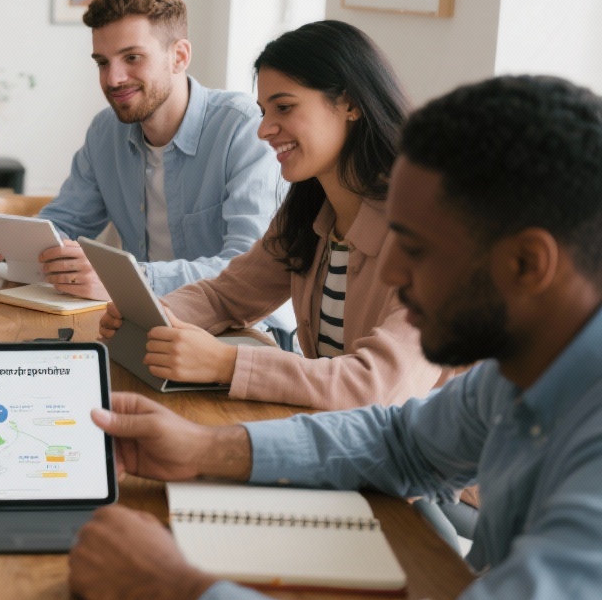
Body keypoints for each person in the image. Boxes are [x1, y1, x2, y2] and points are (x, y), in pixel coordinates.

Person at [70, 75, 602, 600]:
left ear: (527, 263)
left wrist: (177, 587)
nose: (389, 269)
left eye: (415, 248)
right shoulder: (515, 373)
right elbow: (402, 444)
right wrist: (204, 447)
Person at [101, 20, 452, 409]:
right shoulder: (310, 211)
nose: (265, 129)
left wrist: (226, 363)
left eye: (284, 107)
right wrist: (154, 316)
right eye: (264, 111)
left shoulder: (434, 234)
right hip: (341, 437)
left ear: (350, 104)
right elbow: (225, 296)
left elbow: (377, 386)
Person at [0, 0, 288, 327]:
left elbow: (245, 269)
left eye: (132, 58)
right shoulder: (106, 131)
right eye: (102, 62)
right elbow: (64, 223)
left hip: (245, 331)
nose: (114, 78)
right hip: (144, 323)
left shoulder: (244, 129)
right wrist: (16, 246)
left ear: (179, 56)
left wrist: (128, 279)